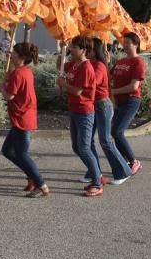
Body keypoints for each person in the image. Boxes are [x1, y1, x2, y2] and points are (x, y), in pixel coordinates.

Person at [58, 36, 107, 196]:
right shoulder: (74, 64)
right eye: (71, 47)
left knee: (84, 147)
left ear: (83, 50)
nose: (72, 49)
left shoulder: (86, 67)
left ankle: (97, 182)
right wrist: (62, 50)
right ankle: (96, 174)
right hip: (74, 110)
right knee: (76, 147)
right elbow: (60, 66)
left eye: (74, 47)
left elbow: (78, 90)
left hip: (84, 111)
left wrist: (64, 85)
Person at [2, 42, 49, 197]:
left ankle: (40, 183)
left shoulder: (19, 73)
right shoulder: (25, 71)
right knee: (7, 150)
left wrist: (3, 85)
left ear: (21, 56)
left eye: (14, 52)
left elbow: (9, 95)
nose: (11, 54)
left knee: (21, 154)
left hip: (23, 119)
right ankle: (31, 176)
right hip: (22, 117)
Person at [88, 38, 133, 185]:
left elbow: (91, 83)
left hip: (102, 105)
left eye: (88, 48)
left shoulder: (98, 65)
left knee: (105, 140)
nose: (85, 50)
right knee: (88, 142)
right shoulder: (93, 64)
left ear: (95, 50)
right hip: (94, 105)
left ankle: (123, 170)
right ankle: (93, 171)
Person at [109, 32, 145, 174]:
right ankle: (123, 161)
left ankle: (133, 161)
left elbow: (134, 86)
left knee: (117, 131)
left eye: (128, 42)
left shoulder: (138, 62)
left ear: (135, 45)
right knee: (114, 132)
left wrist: (113, 92)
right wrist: (106, 61)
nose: (124, 44)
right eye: (124, 42)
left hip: (131, 100)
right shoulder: (120, 62)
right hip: (118, 101)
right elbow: (108, 76)